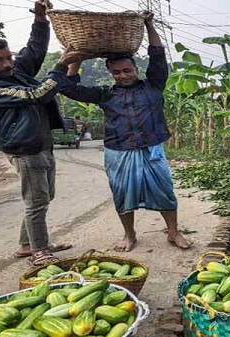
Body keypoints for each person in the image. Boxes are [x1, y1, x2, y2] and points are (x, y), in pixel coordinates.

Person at [55, 12, 192, 252]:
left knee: (165, 192)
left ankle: (173, 232)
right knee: (122, 194)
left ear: (135, 69)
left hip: (152, 149)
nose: (122, 75)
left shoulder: (154, 85)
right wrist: (76, 57)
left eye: (127, 70)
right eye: (117, 72)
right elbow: (67, 87)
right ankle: (129, 235)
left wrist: (149, 25)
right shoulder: (105, 94)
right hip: (118, 151)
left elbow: (157, 55)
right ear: (111, 74)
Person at [0, 0, 84, 265]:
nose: (6, 63)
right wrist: (60, 66)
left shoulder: (16, 70)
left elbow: (35, 49)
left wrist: (40, 19)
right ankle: (39, 251)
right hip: (24, 148)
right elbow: (36, 94)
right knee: (36, 201)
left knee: (45, 196)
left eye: (8, 57)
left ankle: (29, 244)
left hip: (41, 143)